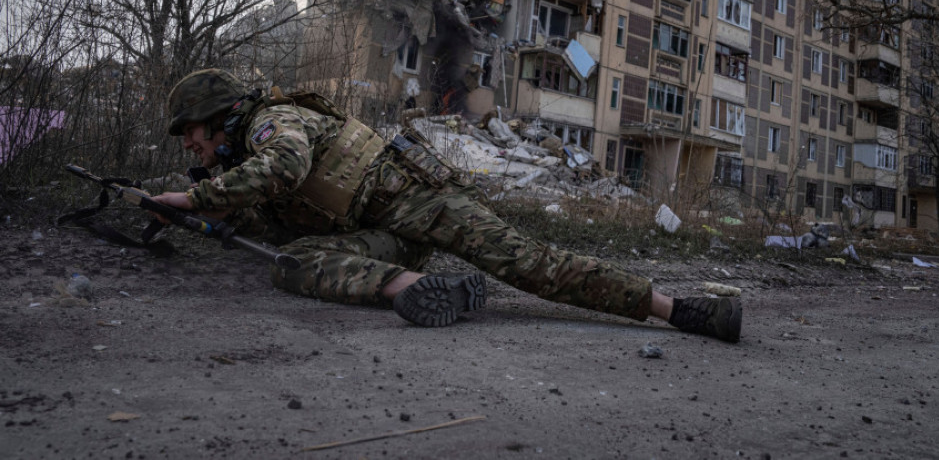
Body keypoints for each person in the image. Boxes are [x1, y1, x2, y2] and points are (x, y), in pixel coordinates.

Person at [152, 69, 742, 342]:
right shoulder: (241, 154)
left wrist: (194, 195)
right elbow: (281, 213)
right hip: (387, 238)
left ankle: (680, 310)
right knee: (292, 261)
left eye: (192, 131)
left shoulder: (270, 123)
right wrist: (201, 211)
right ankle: (413, 287)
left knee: (530, 264)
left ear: (221, 116)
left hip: (422, 204)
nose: (190, 144)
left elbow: (286, 164)